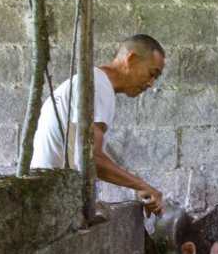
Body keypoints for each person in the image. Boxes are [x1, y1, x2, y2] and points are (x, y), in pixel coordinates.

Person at [31, 34, 166, 216]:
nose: (151, 84)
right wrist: (142, 185)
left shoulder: (94, 82)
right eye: (152, 74)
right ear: (131, 59)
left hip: (50, 193)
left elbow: (80, 152)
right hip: (53, 199)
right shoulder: (97, 86)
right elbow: (89, 158)